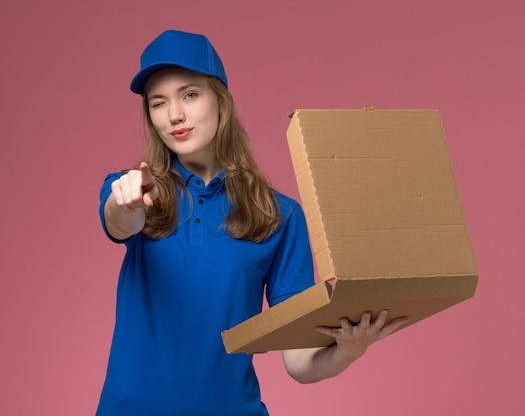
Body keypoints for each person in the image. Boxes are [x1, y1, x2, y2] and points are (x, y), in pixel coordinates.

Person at [96, 29, 407, 416]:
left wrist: (347, 350)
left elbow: (299, 362)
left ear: (221, 101)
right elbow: (120, 221)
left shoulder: (279, 215)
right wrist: (125, 202)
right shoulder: (131, 189)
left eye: (190, 95)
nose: (174, 114)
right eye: (158, 103)